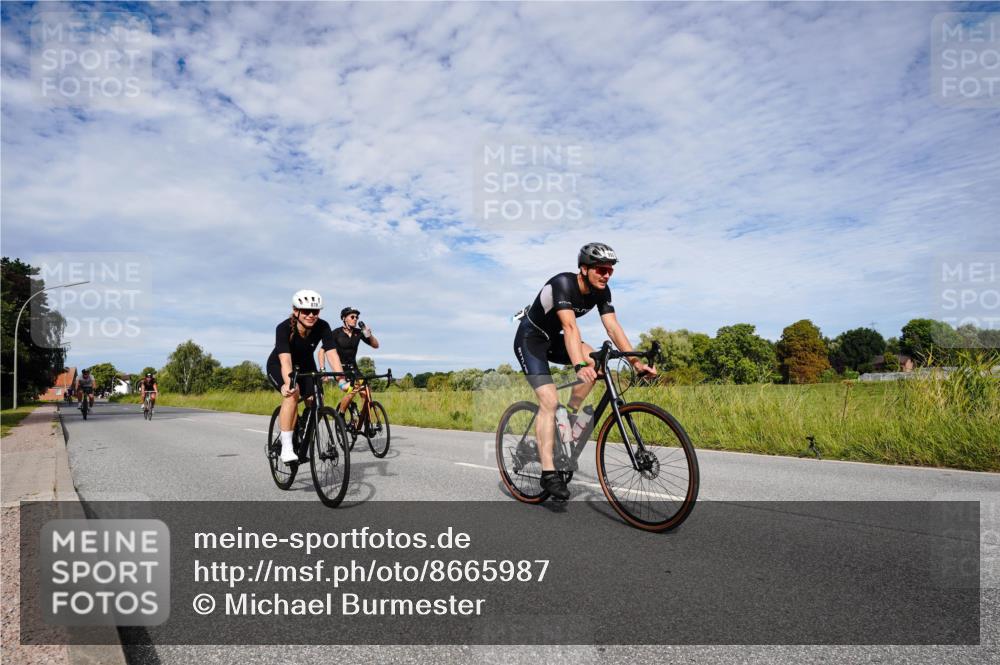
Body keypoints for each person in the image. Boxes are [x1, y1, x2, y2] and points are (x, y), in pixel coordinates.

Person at [512, 243, 657, 500]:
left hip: (553, 339)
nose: (606, 275)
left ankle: (568, 418)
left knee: (597, 364)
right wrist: (578, 365)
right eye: (601, 269)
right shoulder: (563, 284)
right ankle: (548, 474)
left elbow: (613, 327)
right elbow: (570, 327)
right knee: (549, 400)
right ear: (584, 269)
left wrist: (636, 363)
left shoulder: (602, 291)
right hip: (530, 340)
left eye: (610, 270)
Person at [266, 290, 349, 464]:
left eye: (315, 311)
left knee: (317, 399)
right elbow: (285, 360)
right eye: (306, 311)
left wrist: (341, 380)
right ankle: (286, 446)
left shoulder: (323, 326)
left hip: (306, 365)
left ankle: (302, 427)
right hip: (279, 365)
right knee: (292, 393)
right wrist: (288, 383)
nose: (311, 315)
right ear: (295, 311)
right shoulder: (283, 328)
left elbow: (332, 353)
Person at [319, 306, 380, 415]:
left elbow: (376, 345)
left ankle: (363, 418)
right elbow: (321, 351)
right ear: (344, 318)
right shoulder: (336, 333)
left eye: (356, 317)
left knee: (366, 393)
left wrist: (369, 335)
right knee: (352, 390)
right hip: (341, 370)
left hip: (354, 369)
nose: (355, 319)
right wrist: (323, 369)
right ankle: (341, 414)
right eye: (352, 317)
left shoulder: (358, 332)